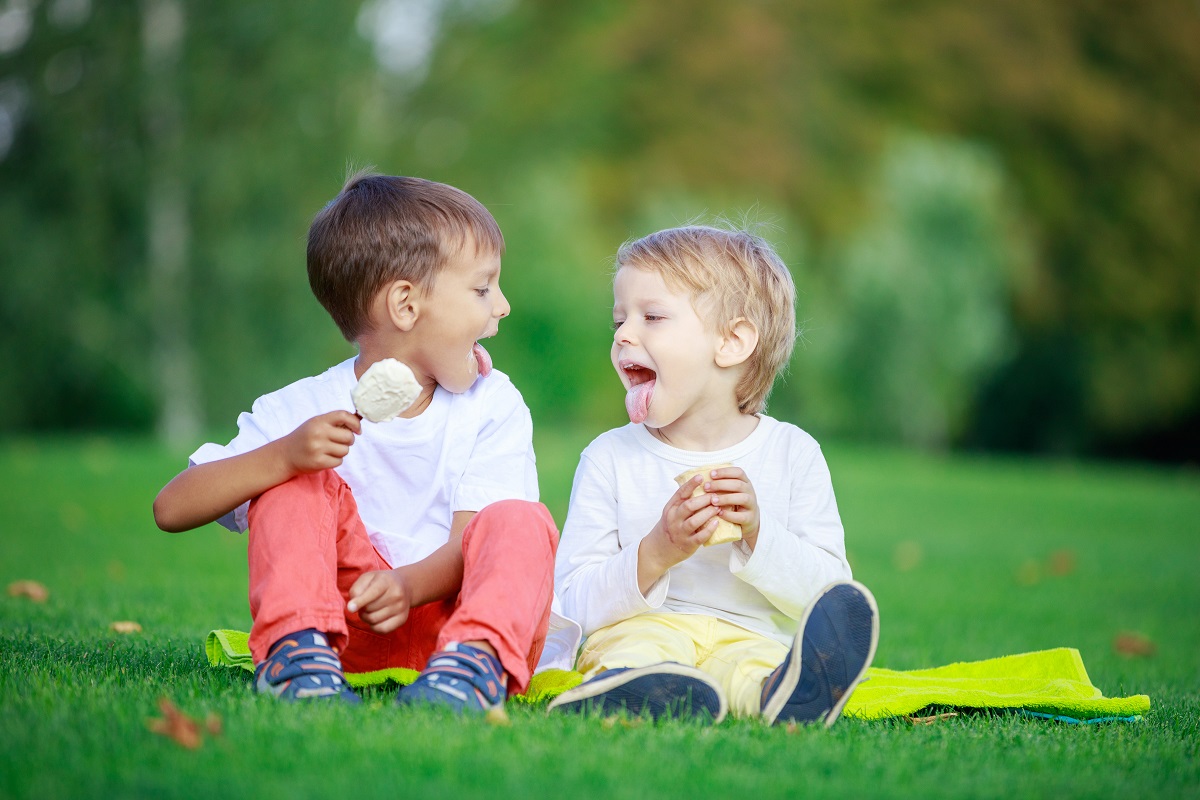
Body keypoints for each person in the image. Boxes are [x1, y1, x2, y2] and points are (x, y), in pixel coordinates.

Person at [153, 172, 578, 712]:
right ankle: (298, 658)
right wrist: (283, 457)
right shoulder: (302, 408)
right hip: (346, 632)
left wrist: (406, 586)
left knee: (521, 518)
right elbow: (171, 507)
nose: (502, 306)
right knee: (293, 485)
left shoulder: (493, 405)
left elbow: (472, 544)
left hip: (458, 623)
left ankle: (474, 669)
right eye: (482, 288)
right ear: (405, 305)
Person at [550, 224, 879, 726]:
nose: (622, 335)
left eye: (652, 316)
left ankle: (786, 696)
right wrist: (657, 550)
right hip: (642, 628)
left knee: (756, 668)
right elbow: (571, 603)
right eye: (619, 319)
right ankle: (634, 686)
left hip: (750, 635)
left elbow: (827, 591)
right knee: (635, 651)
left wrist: (758, 534)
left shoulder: (793, 454)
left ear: (732, 342)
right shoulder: (609, 457)